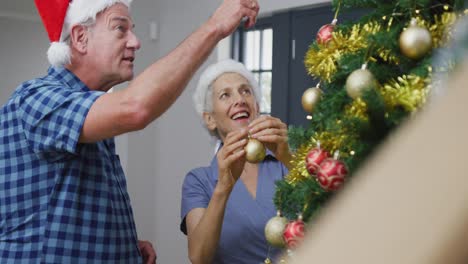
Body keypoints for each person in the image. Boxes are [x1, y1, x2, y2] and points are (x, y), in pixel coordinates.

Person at [0, 0, 259, 263]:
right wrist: (214, 27)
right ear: (80, 38)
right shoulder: (34, 99)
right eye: (120, 29)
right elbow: (136, 107)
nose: (136, 42)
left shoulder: (90, 112)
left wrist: (122, 244)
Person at [180, 59, 293, 264]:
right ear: (210, 119)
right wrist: (223, 186)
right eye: (225, 95)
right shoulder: (199, 180)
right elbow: (199, 257)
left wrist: (289, 157)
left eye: (245, 91)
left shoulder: (284, 163)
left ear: (256, 107)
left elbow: (333, 212)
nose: (240, 100)